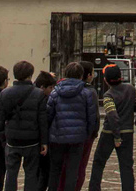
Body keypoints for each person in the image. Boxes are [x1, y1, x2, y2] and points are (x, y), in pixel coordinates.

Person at [0, 60, 49, 191]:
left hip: (12, 139)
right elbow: (42, 120)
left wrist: (4, 139)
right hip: (32, 140)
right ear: (30, 75)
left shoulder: (5, 94)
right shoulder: (38, 94)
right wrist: (44, 142)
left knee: (11, 173)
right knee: (31, 173)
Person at [47, 61, 97, 191]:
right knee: (72, 171)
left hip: (57, 137)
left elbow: (48, 115)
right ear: (81, 76)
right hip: (78, 138)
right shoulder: (86, 93)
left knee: (55, 170)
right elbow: (91, 117)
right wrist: (87, 133)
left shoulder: (55, 92)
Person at [89, 63, 136, 191]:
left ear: (105, 80)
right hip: (128, 131)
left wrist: (116, 137)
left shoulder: (108, 95)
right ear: (121, 76)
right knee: (126, 166)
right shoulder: (131, 89)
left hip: (109, 133)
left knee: (99, 162)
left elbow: (112, 116)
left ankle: (94, 188)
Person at [72, 62, 98, 191]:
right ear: (87, 75)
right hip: (84, 134)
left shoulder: (59, 88)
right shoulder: (90, 92)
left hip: (63, 134)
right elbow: (94, 116)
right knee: (81, 167)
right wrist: (93, 133)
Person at [35, 71, 57, 191]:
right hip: (41, 140)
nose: (52, 90)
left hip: (34, 139)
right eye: (50, 87)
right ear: (42, 87)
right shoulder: (41, 99)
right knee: (43, 172)